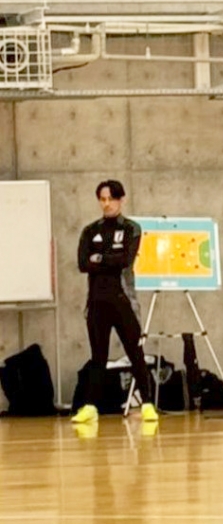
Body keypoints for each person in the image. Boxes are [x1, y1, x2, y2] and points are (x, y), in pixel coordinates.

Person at [72, 180, 157, 424]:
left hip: (123, 301)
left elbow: (125, 260)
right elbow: (83, 264)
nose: (106, 204)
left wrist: (99, 258)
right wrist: (106, 259)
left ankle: (148, 404)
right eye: (102, 199)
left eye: (110, 199)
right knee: (98, 357)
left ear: (121, 200)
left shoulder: (131, 228)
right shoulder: (90, 230)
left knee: (135, 353)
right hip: (96, 303)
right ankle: (90, 407)